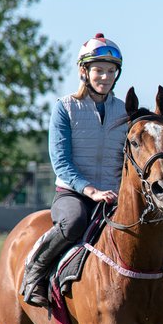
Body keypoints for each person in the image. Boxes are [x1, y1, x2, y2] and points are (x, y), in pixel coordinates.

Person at [20, 33, 127, 307]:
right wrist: (90, 191)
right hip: (74, 195)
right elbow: (61, 162)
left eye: (110, 71)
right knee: (75, 221)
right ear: (84, 71)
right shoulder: (65, 108)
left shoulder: (125, 112)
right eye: (99, 70)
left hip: (114, 195)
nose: (105, 77)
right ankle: (36, 272)